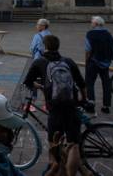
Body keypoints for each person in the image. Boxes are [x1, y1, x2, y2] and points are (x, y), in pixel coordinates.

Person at [23, 34, 87, 173]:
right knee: (74, 145)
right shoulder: (68, 61)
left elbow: (28, 82)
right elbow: (81, 83)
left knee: (54, 142)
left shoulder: (39, 62)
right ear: (58, 46)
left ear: (44, 47)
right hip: (71, 104)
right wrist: (84, 99)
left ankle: (54, 166)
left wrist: (41, 87)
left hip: (54, 107)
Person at [84, 16, 113, 114]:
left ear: (96, 24)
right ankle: (106, 106)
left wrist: (86, 61)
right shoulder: (108, 34)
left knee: (89, 83)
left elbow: (88, 50)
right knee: (106, 83)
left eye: (92, 22)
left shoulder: (90, 34)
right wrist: (109, 60)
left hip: (93, 61)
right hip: (105, 63)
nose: (91, 23)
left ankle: (91, 104)